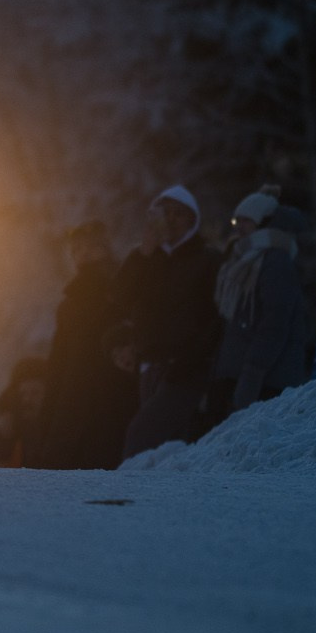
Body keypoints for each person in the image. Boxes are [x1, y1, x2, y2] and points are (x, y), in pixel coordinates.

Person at [120, 185, 222, 459]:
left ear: (192, 219)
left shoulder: (207, 259)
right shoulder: (145, 257)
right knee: (166, 446)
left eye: (180, 213)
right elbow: (118, 298)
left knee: (141, 436)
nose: (172, 219)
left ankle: (129, 491)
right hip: (148, 364)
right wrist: (143, 254)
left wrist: (195, 356)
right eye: (167, 213)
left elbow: (217, 315)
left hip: (186, 366)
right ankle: (162, 499)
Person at [33, 221, 138, 470]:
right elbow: (58, 360)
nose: (82, 254)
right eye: (76, 249)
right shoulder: (70, 304)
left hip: (113, 396)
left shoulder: (121, 288)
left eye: (88, 247)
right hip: (73, 396)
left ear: (104, 248)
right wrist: (49, 410)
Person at [207, 189, 309, 423]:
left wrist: (251, 376)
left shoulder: (275, 261)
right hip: (238, 375)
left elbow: (274, 324)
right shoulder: (241, 259)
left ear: (264, 222)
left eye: (247, 220)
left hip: (265, 381)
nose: (239, 227)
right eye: (237, 220)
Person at [0, 356, 48, 468]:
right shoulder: (12, 431)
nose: (27, 399)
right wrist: (3, 439)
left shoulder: (58, 431)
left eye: (35, 393)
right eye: (23, 394)